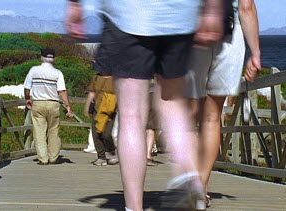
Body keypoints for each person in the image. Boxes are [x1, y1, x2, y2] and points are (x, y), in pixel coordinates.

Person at [66, 0, 224, 210]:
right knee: (172, 104)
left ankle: (134, 207)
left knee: (131, 116)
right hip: (179, 17)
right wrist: (213, 8)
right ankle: (191, 181)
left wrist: (75, 5)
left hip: (128, 15)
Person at [186, 0, 261, 207]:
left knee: (188, 116)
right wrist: (255, 53)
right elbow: (247, 7)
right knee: (212, 116)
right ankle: (201, 187)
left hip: (193, 29)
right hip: (229, 31)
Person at [24, 48, 74, 165]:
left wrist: (27, 98)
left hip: (38, 103)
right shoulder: (57, 73)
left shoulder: (34, 70)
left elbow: (27, 87)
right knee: (53, 131)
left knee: (39, 132)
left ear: (42, 57)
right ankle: (53, 157)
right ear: (53, 59)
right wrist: (67, 106)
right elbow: (62, 91)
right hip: (53, 104)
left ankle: (43, 159)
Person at [84, 73, 118, 166]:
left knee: (106, 134)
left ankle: (112, 152)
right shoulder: (96, 77)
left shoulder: (116, 78)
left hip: (110, 110)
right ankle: (101, 157)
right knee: (96, 133)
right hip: (97, 109)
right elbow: (92, 92)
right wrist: (87, 107)